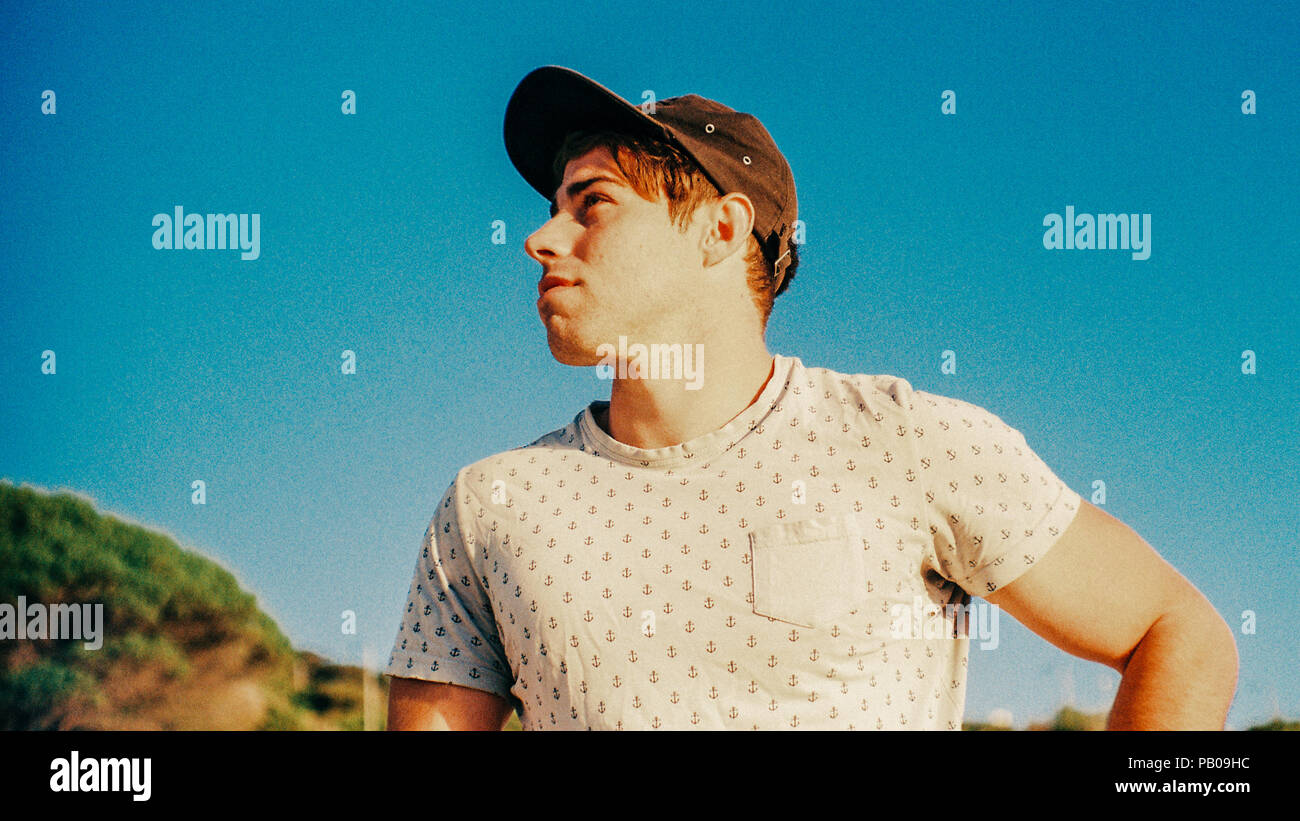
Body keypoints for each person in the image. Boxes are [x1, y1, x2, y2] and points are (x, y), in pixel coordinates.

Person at [385, 66, 1237, 730]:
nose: (541, 237)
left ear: (720, 230)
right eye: (550, 207)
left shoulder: (907, 442)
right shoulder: (489, 507)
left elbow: (1180, 631)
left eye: (592, 203)